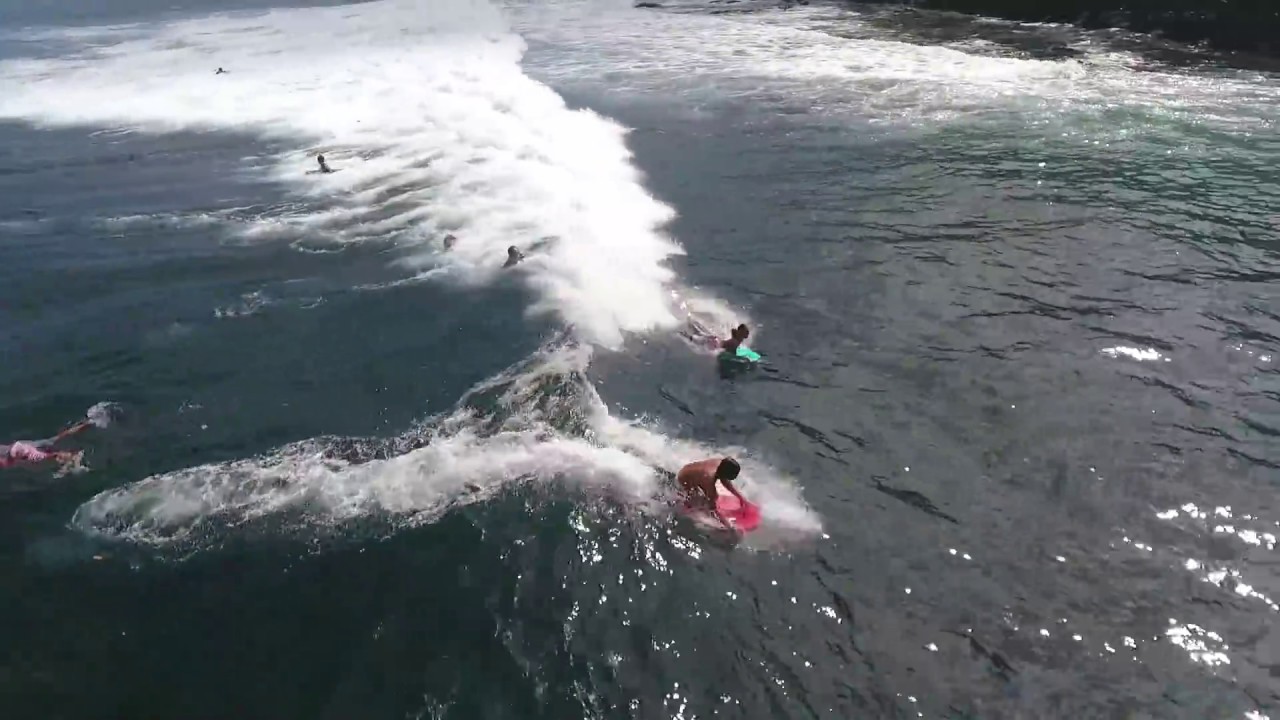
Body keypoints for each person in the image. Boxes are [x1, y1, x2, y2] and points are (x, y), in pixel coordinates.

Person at [676, 457, 748, 531]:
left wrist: (741, 498)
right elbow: (712, 505)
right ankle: (685, 511)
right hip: (684, 477)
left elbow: (724, 480)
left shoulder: (721, 464)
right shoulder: (708, 479)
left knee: (707, 497)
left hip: (692, 471)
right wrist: (727, 525)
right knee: (697, 499)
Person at [0, 420, 93, 471]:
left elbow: (7, 462)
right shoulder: (12, 448)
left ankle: (75, 455)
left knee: (54, 452)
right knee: (55, 439)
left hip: (30, 450)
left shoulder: (31, 456)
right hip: (27, 445)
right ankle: (87, 424)